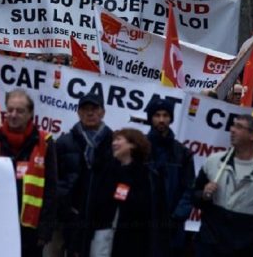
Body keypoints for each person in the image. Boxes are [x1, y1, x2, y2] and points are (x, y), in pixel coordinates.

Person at [193, 115, 253, 257]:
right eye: (233, 125)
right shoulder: (214, 161)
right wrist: (203, 195)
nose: (232, 130)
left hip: (247, 247)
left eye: (239, 127)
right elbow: (193, 196)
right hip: (209, 244)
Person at [0, 89, 56, 257]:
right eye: (10, 110)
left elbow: (51, 188)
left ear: (30, 114)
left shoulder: (44, 142)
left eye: (20, 111)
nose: (13, 115)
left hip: (29, 230)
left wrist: (45, 229)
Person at [55, 91, 116, 257]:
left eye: (94, 109)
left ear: (103, 112)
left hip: (101, 221)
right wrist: (64, 205)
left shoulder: (115, 144)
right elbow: (54, 179)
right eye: (85, 109)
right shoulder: (63, 142)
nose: (90, 113)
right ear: (78, 113)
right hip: (68, 218)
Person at [90, 128, 166, 257]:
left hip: (131, 240)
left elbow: (145, 207)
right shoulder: (107, 170)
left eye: (119, 139)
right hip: (103, 234)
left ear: (133, 144)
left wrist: (122, 191)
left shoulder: (147, 175)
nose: (114, 143)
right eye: (113, 140)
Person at [145, 98, 194, 253]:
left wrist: (176, 217)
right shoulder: (139, 148)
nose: (161, 120)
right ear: (150, 118)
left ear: (171, 119)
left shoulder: (183, 153)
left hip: (171, 228)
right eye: (157, 115)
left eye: (165, 115)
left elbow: (190, 188)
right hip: (141, 224)